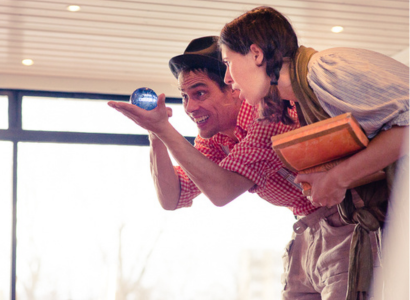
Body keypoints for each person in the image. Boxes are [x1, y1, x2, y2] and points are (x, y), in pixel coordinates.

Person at [219, 6, 409, 300]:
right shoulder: (305, 95)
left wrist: (338, 178)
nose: (228, 79)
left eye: (228, 63)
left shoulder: (324, 71)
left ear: (256, 54)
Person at [107, 36, 314, 216]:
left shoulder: (269, 114)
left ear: (233, 86)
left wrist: (163, 129)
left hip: (342, 215)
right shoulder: (216, 139)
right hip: (313, 224)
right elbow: (172, 197)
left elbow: (223, 192)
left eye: (200, 93)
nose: (189, 107)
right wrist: (155, 133)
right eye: (184, 96)